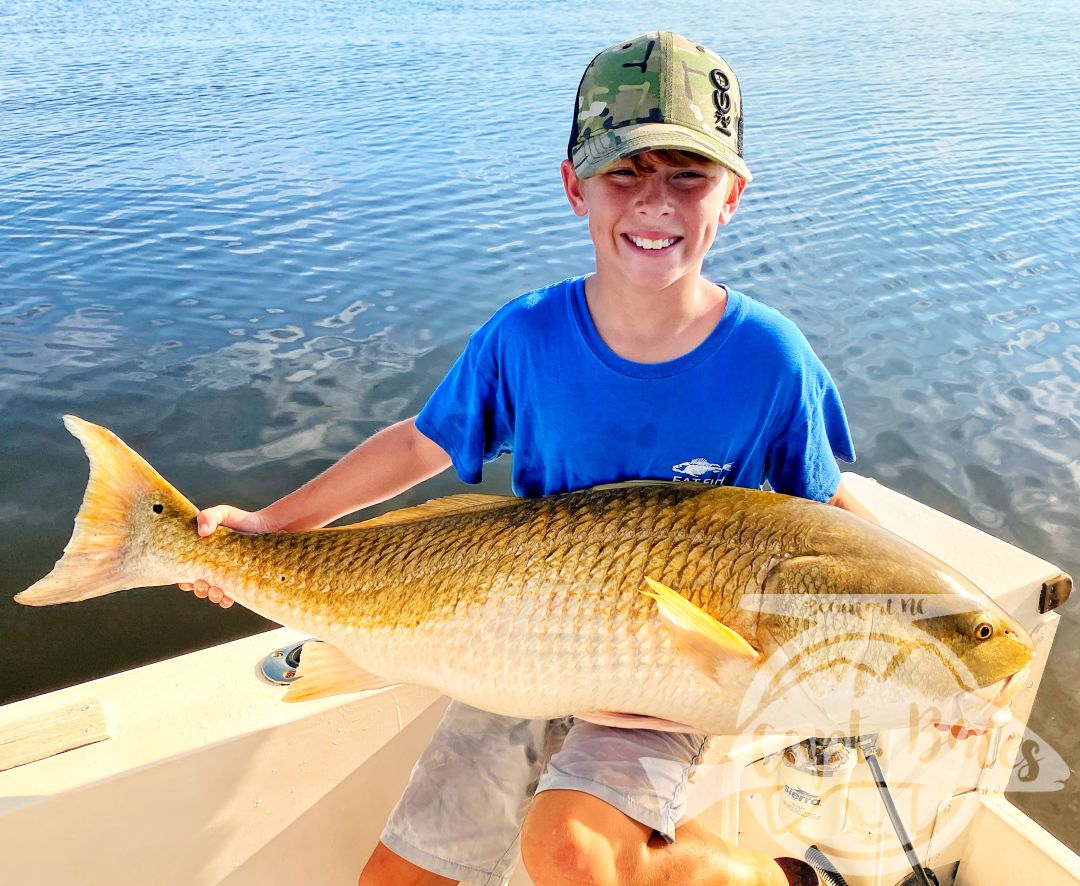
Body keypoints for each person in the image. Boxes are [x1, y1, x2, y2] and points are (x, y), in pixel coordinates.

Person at [181, 31, 874, 886]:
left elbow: (822, 506)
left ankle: (785, 879)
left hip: (669, 673)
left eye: (687, 176)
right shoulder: (525, 336)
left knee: (571, 854)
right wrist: (269, 526)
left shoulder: (773, 358)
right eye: (624, 172)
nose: (654, 203)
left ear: (731, 196)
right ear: (573, 186)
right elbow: (421, 443)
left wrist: (937, 633)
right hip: (518, 641)